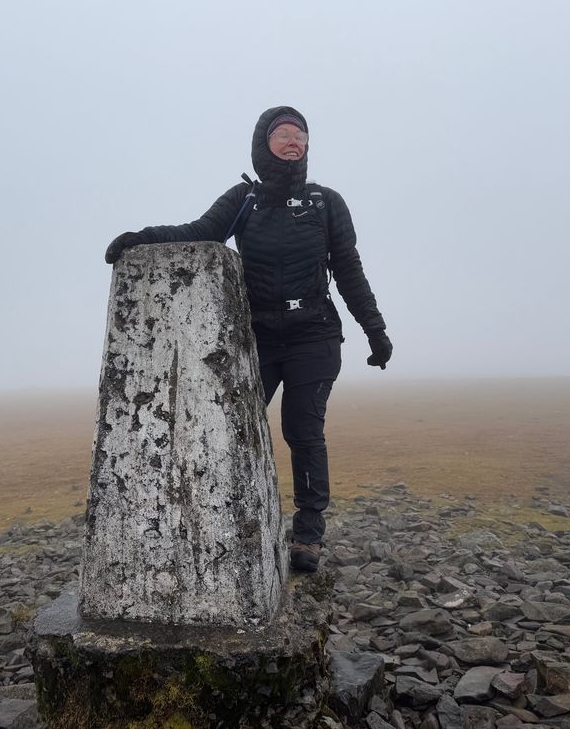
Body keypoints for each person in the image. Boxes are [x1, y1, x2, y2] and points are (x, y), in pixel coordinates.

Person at [104, 106, 392, 573]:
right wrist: (142, 238)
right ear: (264, 144)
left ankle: (308, 534)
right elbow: (199, 234)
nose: (294, 141)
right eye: (283, 133)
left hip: (314, 337)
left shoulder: (326, 202)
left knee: (303, 430)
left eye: (301, 135)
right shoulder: (246, 199)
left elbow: (349, 271)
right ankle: (232, 521)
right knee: (232, 427)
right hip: (257, 341)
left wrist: (375, 332)